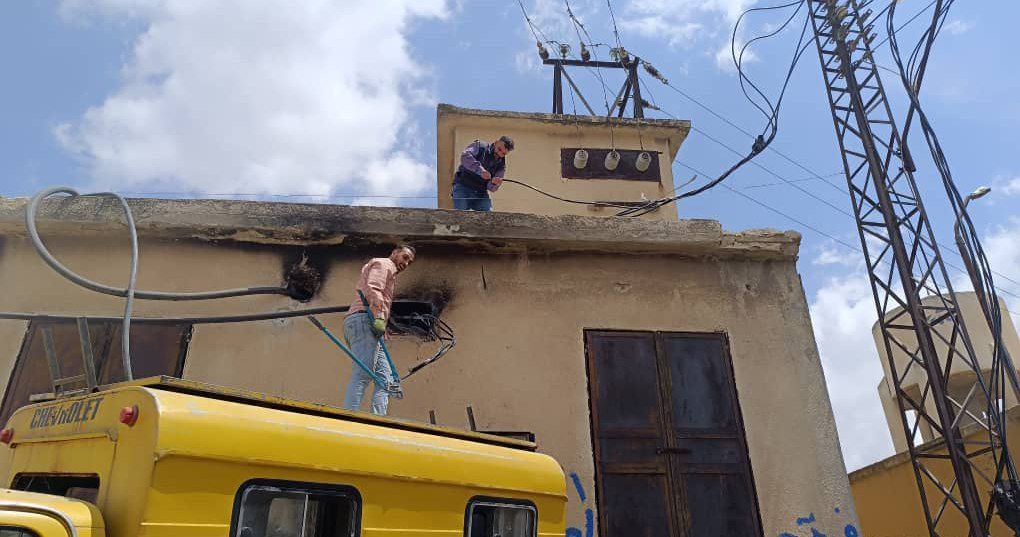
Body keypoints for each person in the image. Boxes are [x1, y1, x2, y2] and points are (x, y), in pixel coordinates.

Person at [342, 244, 416, 415]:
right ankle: (347, 417)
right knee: (363, 373)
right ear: (395, 252)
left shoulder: (389, 272)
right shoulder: (384, 264)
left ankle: (378, 419)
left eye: (409, 262)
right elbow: (373, 288)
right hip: (364, 320)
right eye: (405, 257)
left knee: (386, 380)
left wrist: (382, 327)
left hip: (370, 323)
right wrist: (380, 319)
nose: (406, 263)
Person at [452, 136, 514, 211]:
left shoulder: (501, 166)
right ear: (496, 142)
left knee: (488, 215)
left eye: (503, 153)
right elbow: (465, 157)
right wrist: (480, 171)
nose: (499, 153)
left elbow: (492, 188)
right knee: (460, 215)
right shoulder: (480, 146)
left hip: (481, 193)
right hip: (463, 186)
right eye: (499, 149)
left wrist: (494, 183)